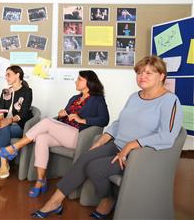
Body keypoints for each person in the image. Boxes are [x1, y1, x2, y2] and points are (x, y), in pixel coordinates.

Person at [30, 56, 183, 219]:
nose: (142, 76)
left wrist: (131, 145)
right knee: (86, 156)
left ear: (161, 76)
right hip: (117, 145)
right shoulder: (135, 96)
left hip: (141, 154)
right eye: (139, 72)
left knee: (95, 168)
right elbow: (119, 123)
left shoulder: (170, 101)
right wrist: (102, 139)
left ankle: (107, 199)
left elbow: (167, 136)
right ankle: (56, 201)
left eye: (148, 73)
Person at [0, 71, 109, 197]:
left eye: (79, 79)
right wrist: (62, 114)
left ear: (89, 82)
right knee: (41, 138)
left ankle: (14, 147)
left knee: (47, 122)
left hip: (79, 136)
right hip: (64, 133)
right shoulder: (74, 98)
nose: (76, 81)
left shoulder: (97, 100)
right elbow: (64, 117)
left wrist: (82, 120)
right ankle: (40, 181)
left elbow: (104, 119)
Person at [0, 65, 33, 179]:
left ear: (17, 75)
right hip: (5, 125)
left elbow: (24, 113)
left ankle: (1, 165)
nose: (6, 77)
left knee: (1, 128)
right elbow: (0, 108)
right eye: (5, 75)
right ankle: (3, 166)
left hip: (19, 126)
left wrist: (9, 120)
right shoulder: (6, 91)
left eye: (8, 74)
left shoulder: (27, 91)